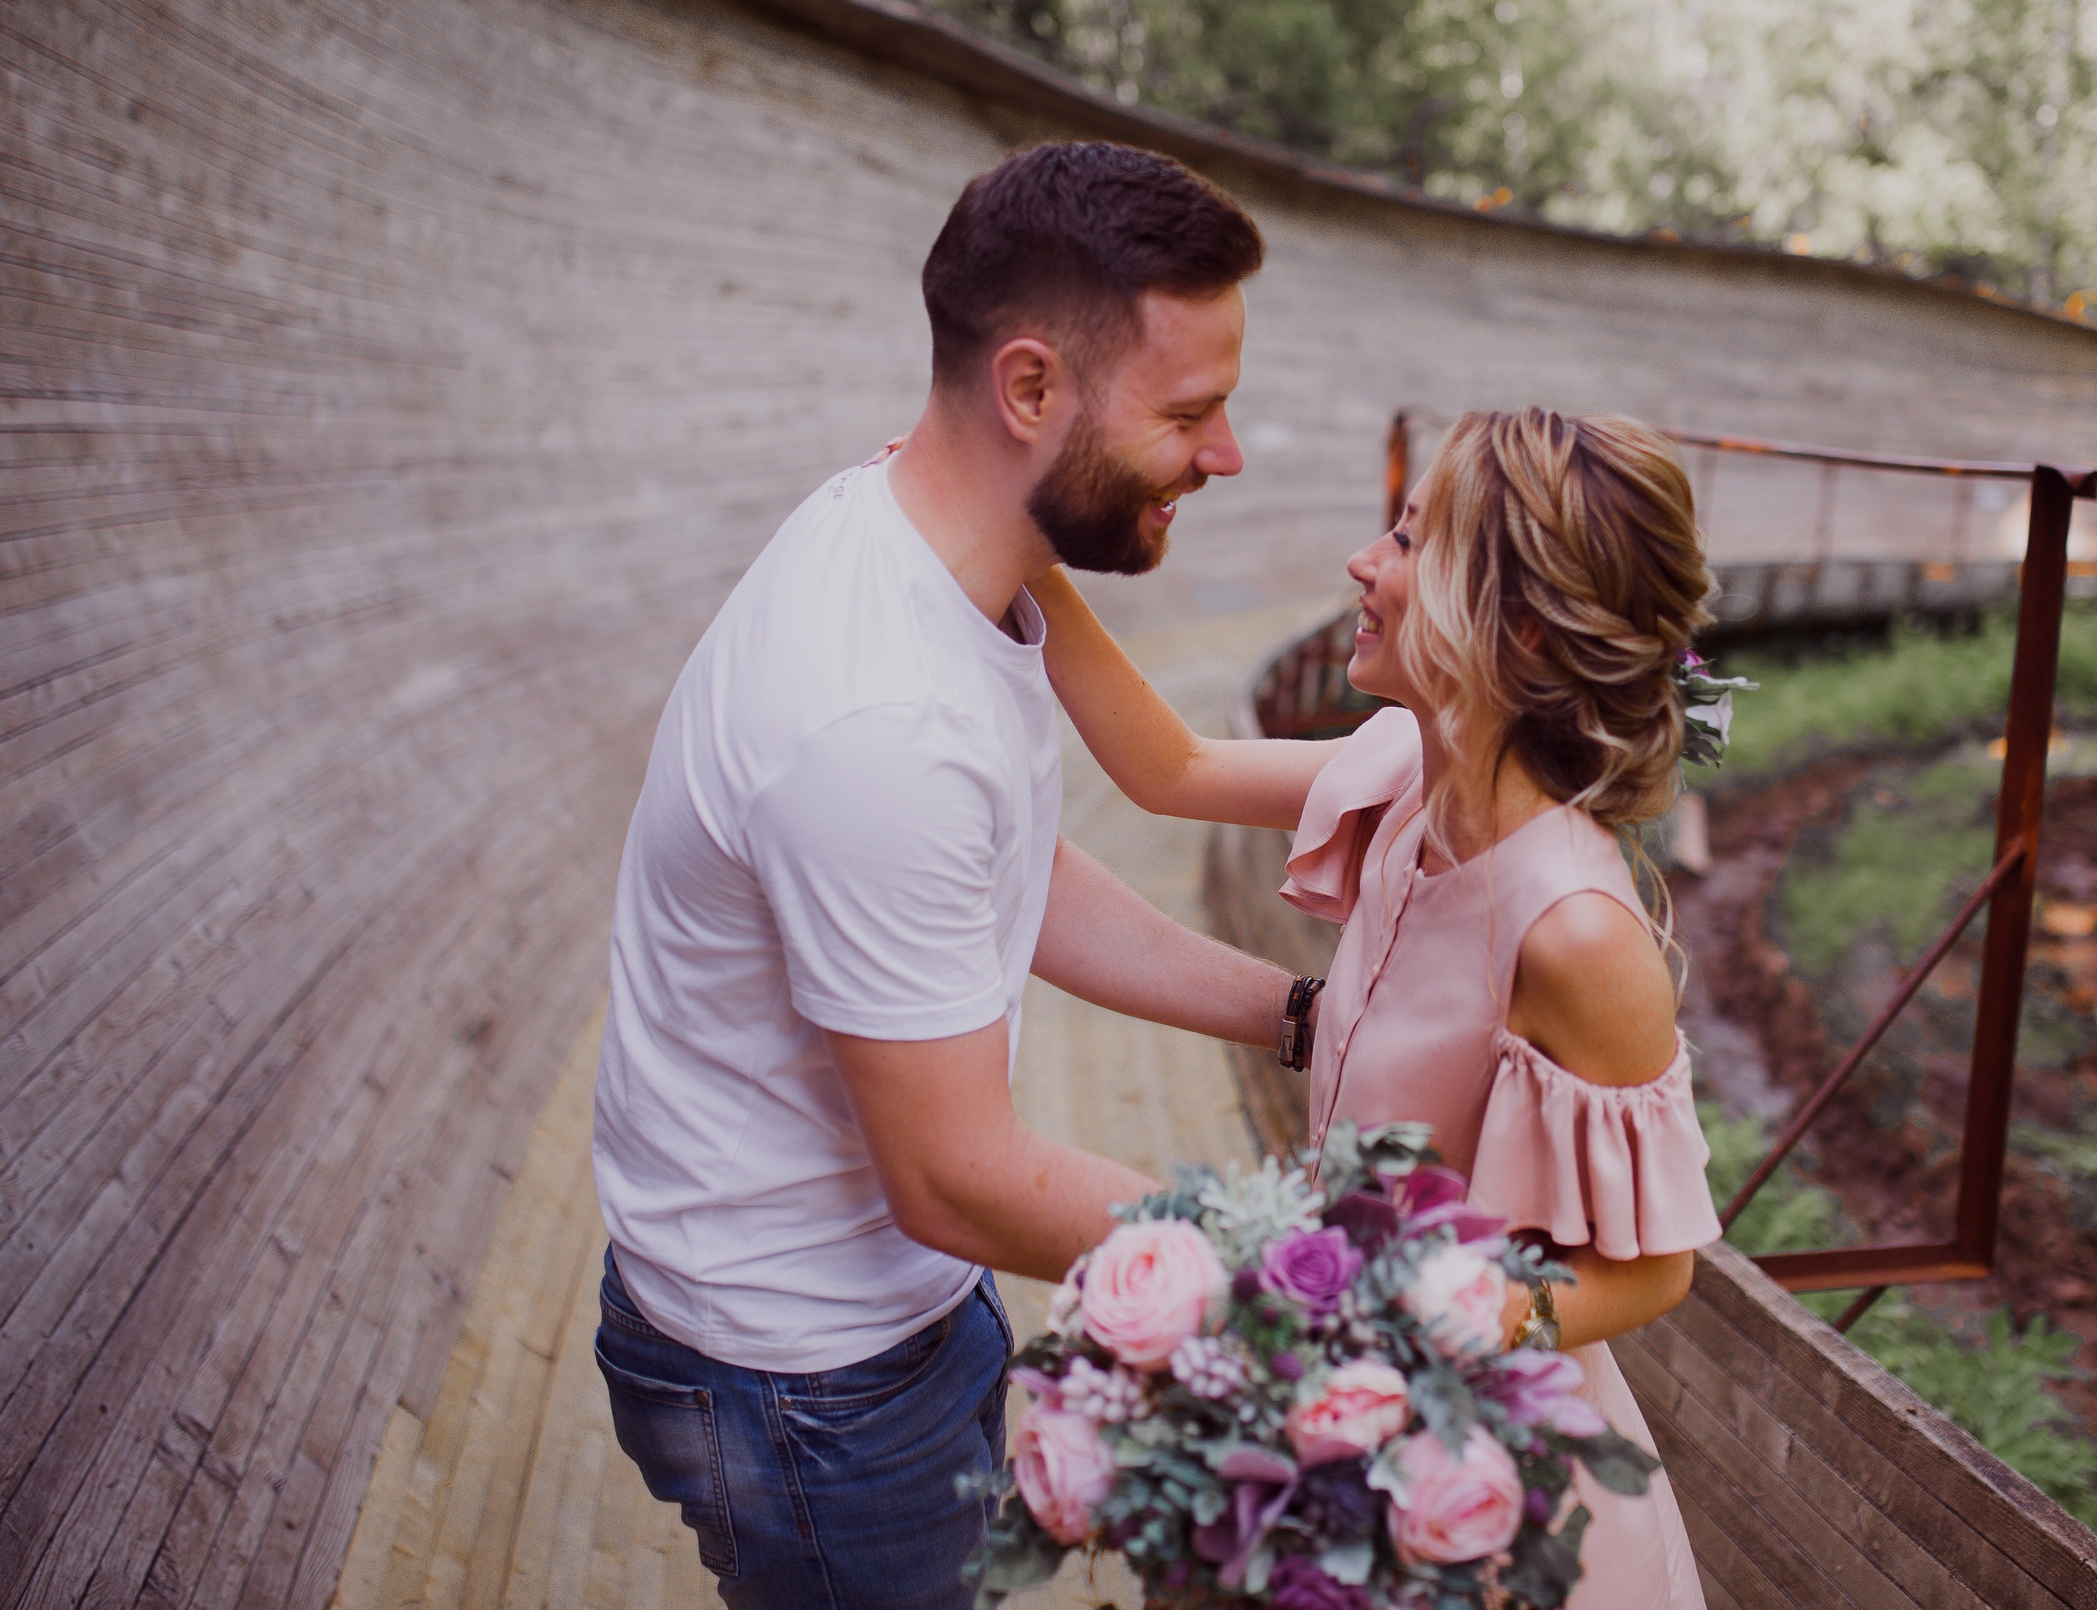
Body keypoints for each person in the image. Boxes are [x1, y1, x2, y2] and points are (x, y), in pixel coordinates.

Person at [589, 141, 1324, 1608]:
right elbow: (958, 1174)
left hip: (879, 1312)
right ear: (1032, 387)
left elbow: (1008, 871)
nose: (1228, 453)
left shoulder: (933, 538)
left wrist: (1298, 1011)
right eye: (1190, 410)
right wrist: (1303, 1281)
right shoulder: (877, 723)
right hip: (806, 1380)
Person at [1032, 406, 1721, 1609]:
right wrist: (1018, 549)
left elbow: (1656, 1273)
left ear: (1504, 619)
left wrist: (1429, 1321)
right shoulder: (1410, 771)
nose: (1364, 562)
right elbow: (1167, 769)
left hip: (1486, 1495)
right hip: (1332, 1414)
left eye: (1407, 540)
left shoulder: (1578, 935)